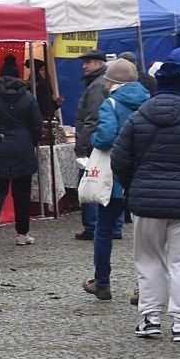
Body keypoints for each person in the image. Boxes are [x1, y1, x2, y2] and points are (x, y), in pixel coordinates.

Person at [111, 58, 180, 342]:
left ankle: (149, 318)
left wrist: (134, 186)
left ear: (157, 86)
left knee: (148, 259)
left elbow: (119, 159)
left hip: (145, 201)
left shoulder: (137, 119)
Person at [81, 58, 146, 302]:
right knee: (144, 235)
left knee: (104, 230)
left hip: (114, 177)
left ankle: (103, 283)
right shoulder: (148, 102)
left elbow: (106, 137)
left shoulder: (111, 103)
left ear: (111, 82)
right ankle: (143, 286)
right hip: (141, 177)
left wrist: (95, 138)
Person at [0, 55, 43, 249]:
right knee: (21, 193)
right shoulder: (28, 98)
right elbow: (37, 126)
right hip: (22, 147)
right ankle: (22, 233)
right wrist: (31, 141)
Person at [70, 51, 110, 240]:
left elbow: (92, 118)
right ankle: (105, 226)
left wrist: (82, 145)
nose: (84, 66)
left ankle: (92, 227)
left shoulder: (97, 86)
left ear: (100, 63)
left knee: (90, 184)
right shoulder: (99, 83)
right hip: (96, 140)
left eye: (89, 62)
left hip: (92, 143)